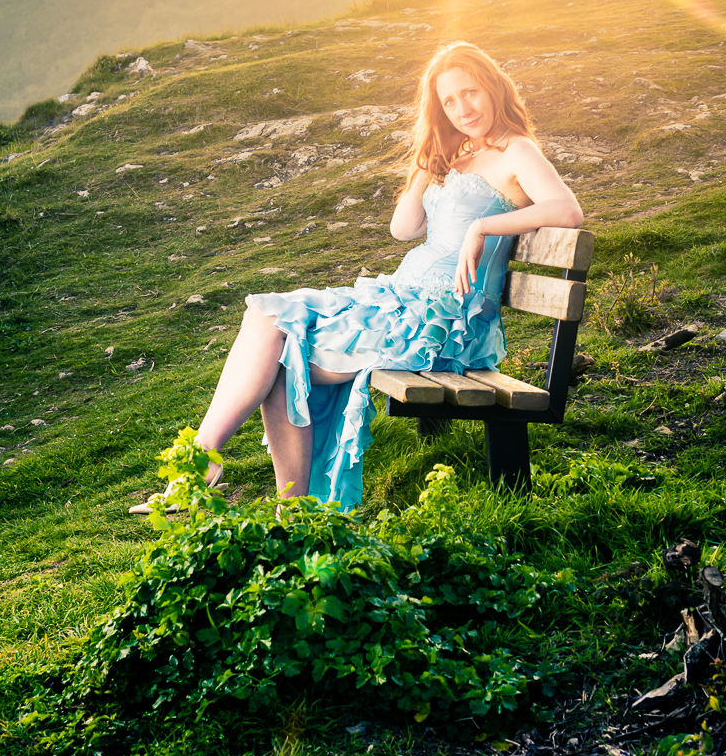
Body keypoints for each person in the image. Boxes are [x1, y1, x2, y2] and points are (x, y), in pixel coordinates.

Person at [130, 42, 582, 515]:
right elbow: (403, 229)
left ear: (492, 88)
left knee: (281, 342)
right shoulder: (458, 152)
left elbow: (568, 210)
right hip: (402, 299)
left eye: (470, 93)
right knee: (268, 321)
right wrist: (428, 159)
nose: (462, 109)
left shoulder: (517, 150)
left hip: (445, 320)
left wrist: (483, 226)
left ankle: (211, 474)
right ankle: (286, 505)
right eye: (448, 101)